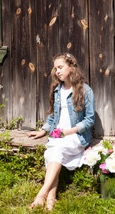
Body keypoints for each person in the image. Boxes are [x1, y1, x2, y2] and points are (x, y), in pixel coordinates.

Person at [27, 53, 95, 211]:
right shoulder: (57, 90)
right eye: (55, 68)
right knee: (54, 153)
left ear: (71, 67)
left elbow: (90, 120)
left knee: (56, 150)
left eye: (60, 67)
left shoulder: (85, 90)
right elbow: (52, 116)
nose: (57, 71)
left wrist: (68, 132)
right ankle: (51, 198)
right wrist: (43, 131)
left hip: (75, 136)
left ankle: (42, 194)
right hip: (58, 134)